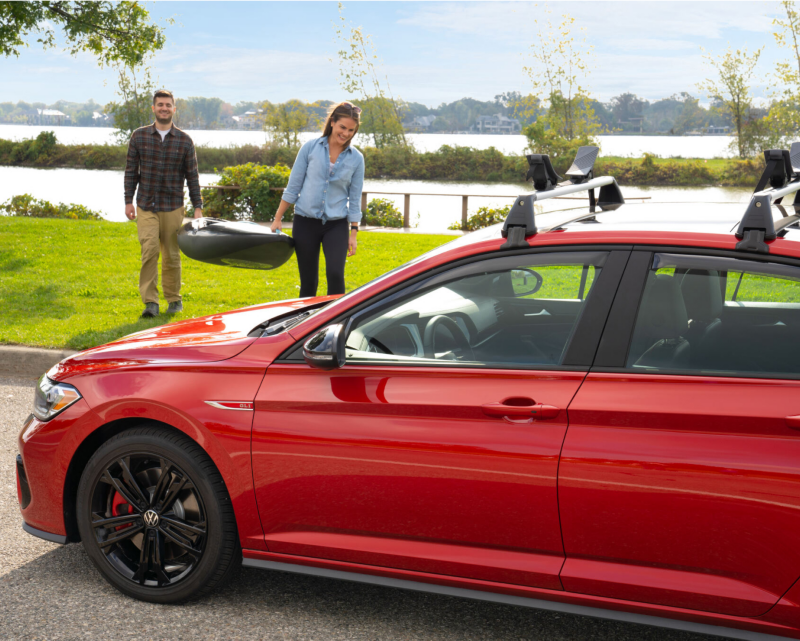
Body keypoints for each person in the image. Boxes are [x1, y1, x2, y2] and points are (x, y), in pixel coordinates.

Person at [270, 101, 364, 297]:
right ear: (332, 123)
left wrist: (353, 232)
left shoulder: (357, 158)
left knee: (336, 274)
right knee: (308, 281)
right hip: (305, 222)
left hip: (336, 224)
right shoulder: (310, 148)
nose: (346, 133)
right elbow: (293, 186)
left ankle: (337, 322)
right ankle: (307, 324)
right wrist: (278, 217)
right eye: (342, 127)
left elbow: (354, 198)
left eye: (351, 130)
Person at [124, 89, 203, 318]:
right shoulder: (138, 137)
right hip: (146, 205)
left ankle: (174, 299)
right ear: (153, 108)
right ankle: (150, 302)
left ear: (173, 109)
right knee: (149, 251)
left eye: (168, 105)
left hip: (173, 206)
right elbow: (131, 172)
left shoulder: (185, 141)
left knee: (171, 254)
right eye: (160, 105)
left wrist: (197, 206)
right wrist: (128, 201)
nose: (164, 108)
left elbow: (193, 176)